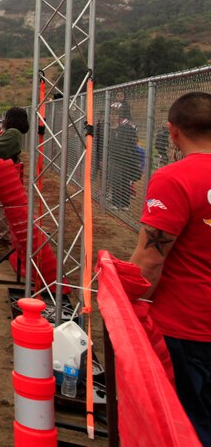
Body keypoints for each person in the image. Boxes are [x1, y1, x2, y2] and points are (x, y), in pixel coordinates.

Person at [130, 92, 211, 444]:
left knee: (187, 424)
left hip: (187, 326)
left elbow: (150, 259)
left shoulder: (174, 178)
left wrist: (129, 303)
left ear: (172, 132)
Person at [0, 107, 29, 259]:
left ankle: (2, 244)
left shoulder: (13, 133)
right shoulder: (12, 133)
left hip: (2, 176)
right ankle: (1, 241)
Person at [108, 100, 141, 210]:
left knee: (125, 180)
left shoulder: (127, 126)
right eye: (112, 113)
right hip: (114, 158)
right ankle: (115, 202)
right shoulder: (108, 127)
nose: (113, 115)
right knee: (116, 180)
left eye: (116, 113)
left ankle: (125, 203)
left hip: (126, 158)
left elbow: (133, 141)